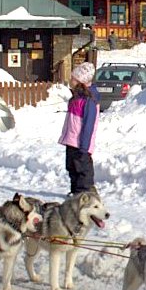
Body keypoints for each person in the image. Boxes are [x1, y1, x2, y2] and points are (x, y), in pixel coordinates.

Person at [59, 62, 101, 194]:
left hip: (81, 144)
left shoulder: (89, 100)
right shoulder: (76, 97)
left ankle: (84, 195)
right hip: (71, 140)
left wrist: (84, 147)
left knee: (83, 171)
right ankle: (75, 192)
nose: (70, 81)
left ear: (80, 81)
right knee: (72, 168)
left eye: (73, 78)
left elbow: (88, 125)